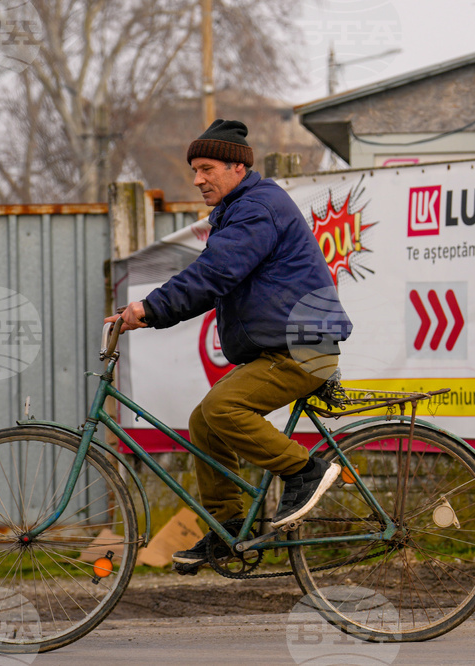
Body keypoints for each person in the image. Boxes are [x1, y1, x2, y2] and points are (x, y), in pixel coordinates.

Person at [107, 119, 351, 572]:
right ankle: (229, 528)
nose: (198, 179)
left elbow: (214, 274)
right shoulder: (238, 210)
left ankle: (305, 470)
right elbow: (212, 279)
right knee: (204, 422)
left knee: (223, 409)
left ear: (237, 167)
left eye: (206, 169)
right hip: (281, 348)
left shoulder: (257, 208)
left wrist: (151, 308)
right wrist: (151, 311)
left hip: (304, 347)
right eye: (194, 171)